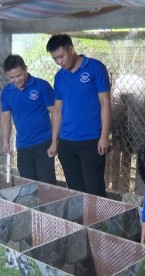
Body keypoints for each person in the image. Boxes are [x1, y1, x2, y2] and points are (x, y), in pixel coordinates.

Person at [45, 34, 111, 197]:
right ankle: (81, 222)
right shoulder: (59, 76)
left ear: (71, 50)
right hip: (67, 142)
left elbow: (105, 104)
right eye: (55, 59)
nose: (59, 62)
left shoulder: (95, 68)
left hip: (91, 140)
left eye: (61, 56)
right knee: (75, 189)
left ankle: (99, 222)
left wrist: (104, 137)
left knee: (94, 188)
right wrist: (54, 142)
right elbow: (58, 110)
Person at [0, 54, 56, 184]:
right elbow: (6, 118)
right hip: (23, 146)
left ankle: (51, 204)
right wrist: (5, 141)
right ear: (6, 75)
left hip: (44, 144)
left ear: (26, 68)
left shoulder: (42, 86)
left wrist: (54, 141)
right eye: (11, 77)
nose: (16, 80)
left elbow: (55, 112)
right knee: (28, 184)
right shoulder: (6, 92)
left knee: (47, 183)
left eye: (19, 75)